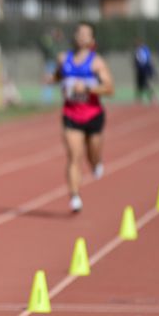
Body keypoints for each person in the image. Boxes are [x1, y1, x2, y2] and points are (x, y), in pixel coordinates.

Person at [49, 22, 114, 213]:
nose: (82, 36)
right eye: (80, 33)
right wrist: (53, 80)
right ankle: (74, 195)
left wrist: (86, 88)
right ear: (75, 36)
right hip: (71, 114)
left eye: (87, 34)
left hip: (93, 114)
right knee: (73, 156)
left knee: (92, 153)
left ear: (92, 40)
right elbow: (58, 76)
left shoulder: (97, 63)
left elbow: (110, 89)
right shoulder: (63, 59)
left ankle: (96, 162)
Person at [133, 38, 157, 105]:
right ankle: (139, 99)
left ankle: (153, 97)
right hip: (140, 71)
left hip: (145, 70)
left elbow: (147, 60)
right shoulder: (137, 50)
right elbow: (136, 61)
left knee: (147, 84)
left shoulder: (145, 49)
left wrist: (149, 70)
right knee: (139, 85)